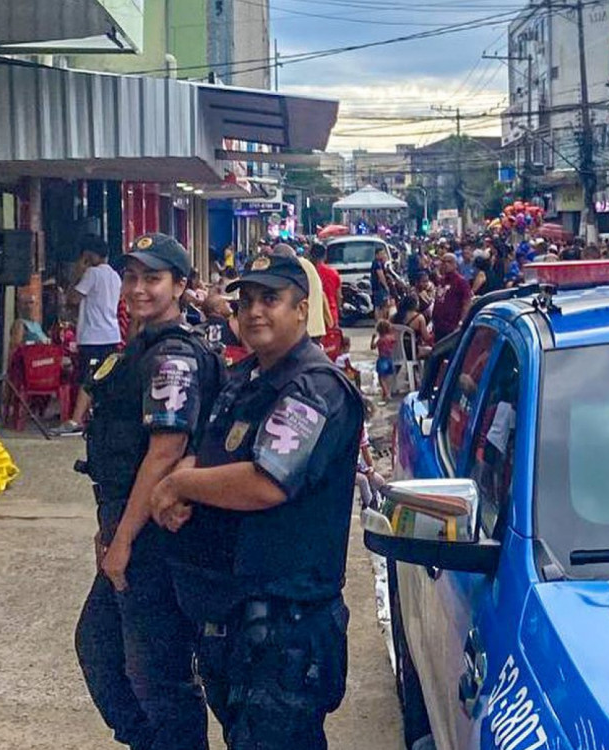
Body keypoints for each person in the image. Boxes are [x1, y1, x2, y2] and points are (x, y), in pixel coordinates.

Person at [151, 252, 363, 749]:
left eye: (271, 299)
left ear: (302, 309)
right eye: (245, 301)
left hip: (286, 629)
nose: (254, 312)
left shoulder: (314, 388)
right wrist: (186, 474)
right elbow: (206, 450)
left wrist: (181, 486)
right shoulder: (249, 379)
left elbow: (267, 483)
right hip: (237, 622)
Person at [75, 233, 221, 750]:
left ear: (181, 286)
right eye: (132, 277)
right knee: (102, 651)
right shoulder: (140, 348)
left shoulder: (172, 357)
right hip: (125, 524)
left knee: (156, 675)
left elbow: (164, 452)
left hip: (154, 537)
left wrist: (123, 541)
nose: (138, 288)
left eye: (153, 278)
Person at [54, 235, 123, 436]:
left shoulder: (92, 274)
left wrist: (77, 272)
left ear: (89, 255)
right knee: (104, 378)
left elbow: (73, 298)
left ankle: (76, 420)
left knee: (88, 378)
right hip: (111, 334)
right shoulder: (115, 275)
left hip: (93, 336)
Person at [432, 252, 472, 341]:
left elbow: (467, 303)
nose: (446, 264)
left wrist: (461, 323)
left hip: (451, 326)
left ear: (455, 264)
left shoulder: (461, 282)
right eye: (443, 262)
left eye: (449, 262)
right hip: (438, 325)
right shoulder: (441, 280)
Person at [308, 242, 341, 332]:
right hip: (330, 314)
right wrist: (338, 311)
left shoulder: (306, 272)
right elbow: (339, 296)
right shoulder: (333, 273)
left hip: (311, 315)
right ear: (325, 256)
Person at [354, 427, 388, 510]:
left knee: (379, 481)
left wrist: (371, 467)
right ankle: (371, 507)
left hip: (359, 467)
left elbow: (365, 450)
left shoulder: (360, 429)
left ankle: (384, 507)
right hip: (343, 469)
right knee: (363, 481)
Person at [370, 320, 396, 402]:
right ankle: (386, 393)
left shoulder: (380, 340)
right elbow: (395, 341)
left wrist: (373, 339)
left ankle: (386, 393)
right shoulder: (391, 338)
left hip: (382, 360)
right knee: (387, 377)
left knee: (381, 378)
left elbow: (372, 347)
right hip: (390, 359)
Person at [370, 246, 392, 320]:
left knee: (379, 305)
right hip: (379, 288)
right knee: (381, 306)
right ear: (377, 255)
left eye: (384, 253)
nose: (383, 255)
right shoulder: (377, 264)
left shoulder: (379, 263)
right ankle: (381, 321)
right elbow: (381, 276)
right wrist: (386, 286)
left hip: (377, 288)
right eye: (381, 254)